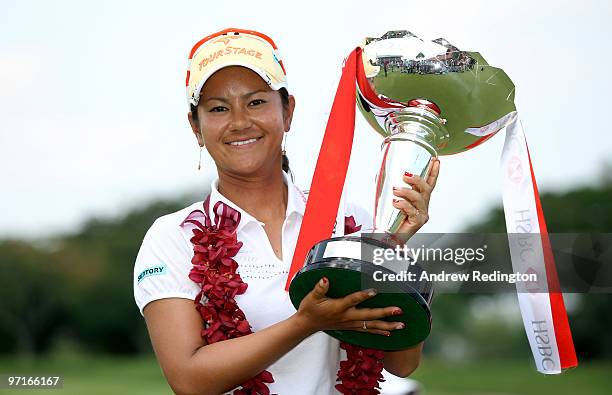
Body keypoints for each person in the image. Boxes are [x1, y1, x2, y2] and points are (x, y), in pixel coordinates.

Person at [133, 28, 441, 395]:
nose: (239, 121)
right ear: (196, 127)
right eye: (218, 108)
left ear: (288, 111)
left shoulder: (348, 222)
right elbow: (189, 379)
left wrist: (393, 246)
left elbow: (401, 363)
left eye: (256, 102)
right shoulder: (172, 237)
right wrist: (305, 322)